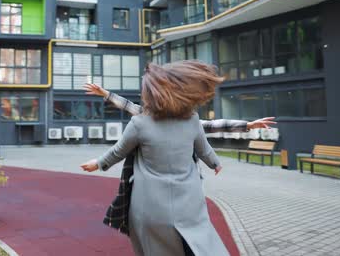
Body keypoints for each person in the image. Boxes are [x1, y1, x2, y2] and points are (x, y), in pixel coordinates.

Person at [80, 62, 273, 256]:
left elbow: (118, 150)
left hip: (148, 203)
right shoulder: (191, 120)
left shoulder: (141, 121)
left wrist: (98, 163)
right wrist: (217, 160)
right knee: (198, 242)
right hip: (188, 198)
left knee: (154, 245)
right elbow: (208, 143)